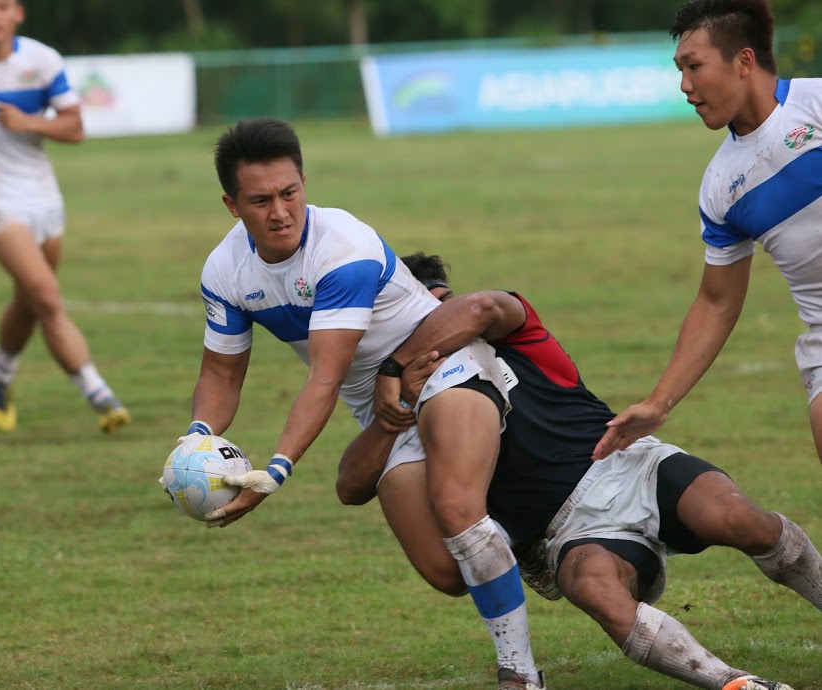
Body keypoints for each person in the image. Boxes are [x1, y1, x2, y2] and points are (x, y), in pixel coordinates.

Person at [337, 252, 822, 690]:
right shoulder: (416, 404)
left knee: (740, 519)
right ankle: (734, 684)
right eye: (427, 319)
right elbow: (350, 485)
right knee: (594, 589)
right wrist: (398, 401)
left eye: (443, 307)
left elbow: (477, 309)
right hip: (569, 535)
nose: (445, 325)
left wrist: (397, 366)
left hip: (630, 466)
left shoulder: (508, 325)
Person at [180, 117, 544, 689]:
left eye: (289, 193)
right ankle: (533, 539)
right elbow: (220, 373)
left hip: (439, 368)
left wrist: (276, 470)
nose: (280, 212)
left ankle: (520, 675)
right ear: (232, 206)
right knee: (447, 571)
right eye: (260, 200)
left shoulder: (341, 247)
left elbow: (325, 377)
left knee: (456, 512)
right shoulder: (224, 271)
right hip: (380, 413)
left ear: (304, 181)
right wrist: (197, 436)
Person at [593, 0, 822, 464]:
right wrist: (659, 402)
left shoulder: (814, 104)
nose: (685, 86)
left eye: (694, 66)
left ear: (743, 61)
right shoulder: (721, 185)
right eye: (680, 69)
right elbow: (717, 302)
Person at [0, 0, 130, 434]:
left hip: (44, 198)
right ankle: (99, 395)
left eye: (2, 6)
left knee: (30, 299)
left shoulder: (42, 60)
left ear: (18, 13)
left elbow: (75, 128)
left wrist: (30, 122)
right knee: (47, 298)